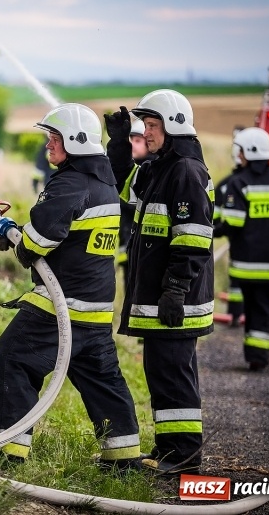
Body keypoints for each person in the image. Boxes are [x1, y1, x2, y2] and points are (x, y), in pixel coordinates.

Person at [0, 103, 141, 471]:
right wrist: (12, 233)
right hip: (95, 307)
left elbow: (34, 246)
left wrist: (7, 233)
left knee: (12, 360)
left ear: (76, 142)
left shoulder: (69, 184)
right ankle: (124, 459)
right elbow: (61, 235)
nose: (47, 145)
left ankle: (7, 451)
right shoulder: (103, 182)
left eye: (54, 138)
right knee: (102, 380)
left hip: (59, 305)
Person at [104, 90, 214, 476]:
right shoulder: (155, 169)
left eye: (152, 126)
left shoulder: (185, 171)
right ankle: (173, 451)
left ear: (173, 126)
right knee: (164, 375)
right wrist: (118, 146)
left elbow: (193, 238)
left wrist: (175, 289)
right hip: (161, 297)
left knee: (173, 376)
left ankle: (183, 456)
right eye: (144, 126)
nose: (145, 133)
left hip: (174, 299)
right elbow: (115, 193)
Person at [219, 127, 269, 372]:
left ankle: (254, 355)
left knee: (251, 308)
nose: (238, 155)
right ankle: (258, 359)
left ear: (250, 151)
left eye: (240, 150)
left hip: (244, 266)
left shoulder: (239, 182)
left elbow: (233, 222)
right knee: (266, 311)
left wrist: (211, 229)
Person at [117, 118, 156, 289]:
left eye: (138, 140)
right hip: (127, 249)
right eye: (130, 140)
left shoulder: (154, 171)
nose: (133, 144)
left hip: (148, 252)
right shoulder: (127, 169)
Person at [212, 127, 245, 327]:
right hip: (267, 246)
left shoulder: (227, 184)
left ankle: (235, 315)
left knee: (238, 281)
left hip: (239, 244)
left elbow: (216, 219)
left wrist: (215, 231)